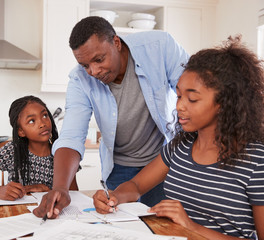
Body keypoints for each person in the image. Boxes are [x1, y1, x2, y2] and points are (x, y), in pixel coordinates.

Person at [93, 36, 264, 239]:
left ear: (225, 102)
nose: (180, 106)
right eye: (179, 95)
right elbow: (137, 185)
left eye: (192, 99)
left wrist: (191, 226)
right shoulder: (180, 147)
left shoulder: (256, 161)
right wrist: (114, 196)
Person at [33, 16, 189, 219]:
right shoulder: (80, 79)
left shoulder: (159, 47)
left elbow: (193, 92)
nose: (94, 71)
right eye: (85, 65)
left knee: (166, 226)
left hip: (162, 162)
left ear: (116, 42)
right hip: (119, 168)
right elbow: (71, 136)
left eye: (99, 60)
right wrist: (61, 188)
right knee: (122, 227)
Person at [0, 95, 78, 200]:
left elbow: (74, 194)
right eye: (32, 121)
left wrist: (48, 190)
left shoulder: (63, 152)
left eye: (45, 115)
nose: (43, 123)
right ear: (21, 131)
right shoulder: (12, 151)